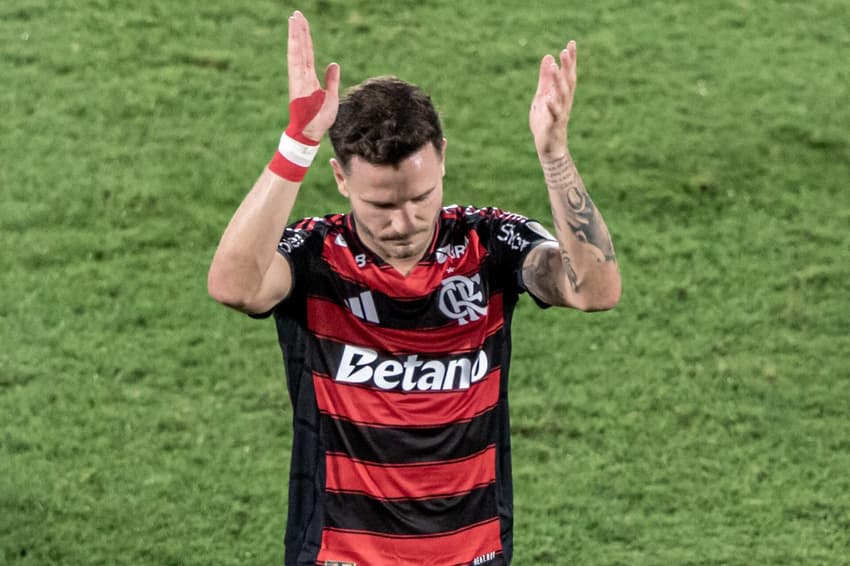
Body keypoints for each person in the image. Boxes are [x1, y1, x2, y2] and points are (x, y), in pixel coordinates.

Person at [208, 10, 620, 566]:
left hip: (473, 555)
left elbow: (594, 289)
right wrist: (297, 142)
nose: (404, 222)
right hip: (339, 557)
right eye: (380, 204)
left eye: (420, 198)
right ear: (341, 178)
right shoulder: (316, 257)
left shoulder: (488, 244)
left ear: (443, 158)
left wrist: (554, 155)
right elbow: (233, 285)